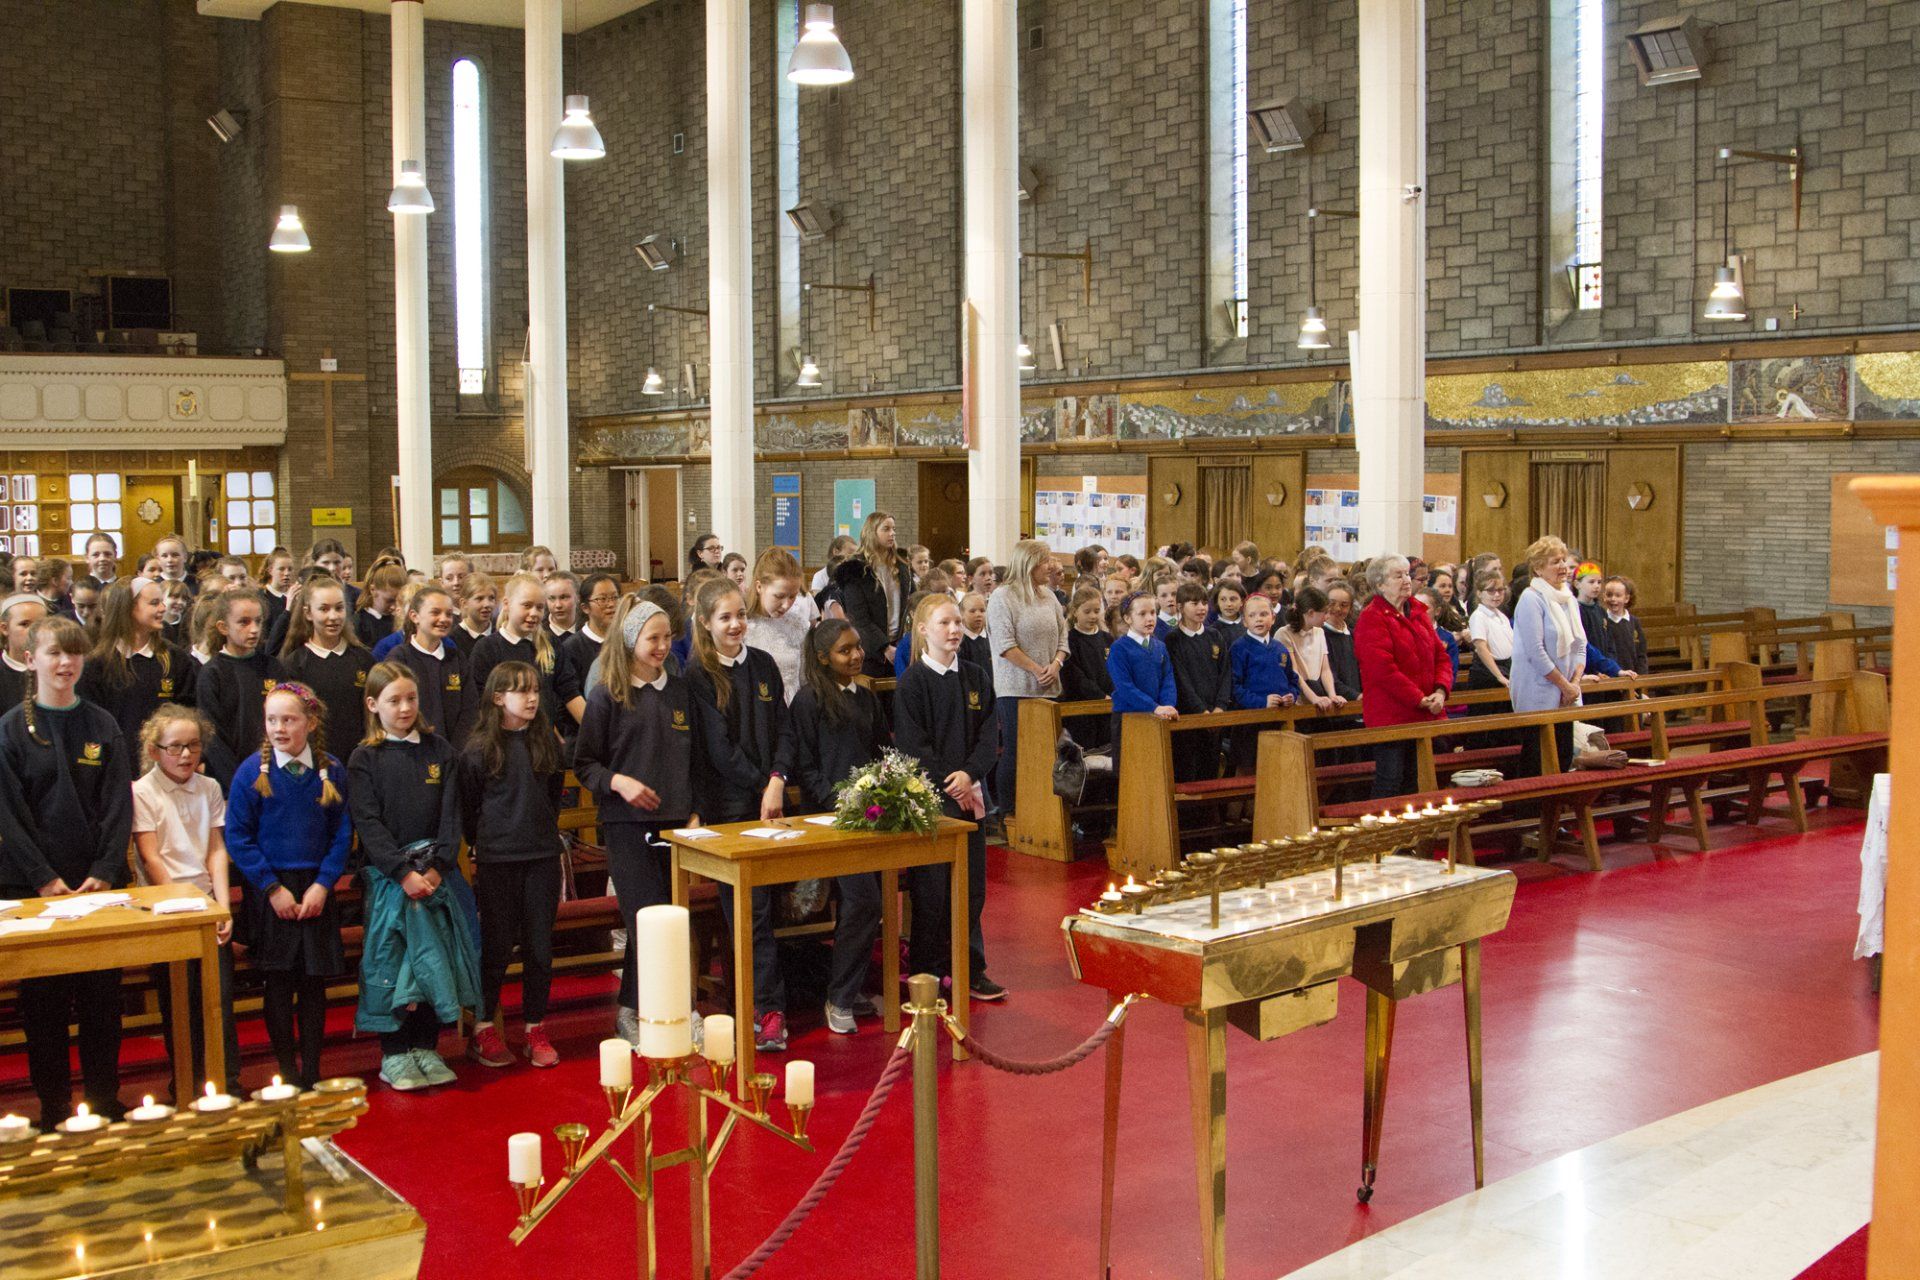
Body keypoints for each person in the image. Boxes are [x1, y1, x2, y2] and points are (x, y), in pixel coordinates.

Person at [574, 597, 732, 1047]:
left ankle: (637, 1008)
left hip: (676, 825)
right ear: (631, 640)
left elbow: (697, 760)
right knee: (647, 920)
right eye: (652, 639)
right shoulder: (607, 694)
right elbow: (585, 764)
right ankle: (671, 1011)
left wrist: (697, 807)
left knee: (672, 920)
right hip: (626, 824)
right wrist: (619, 782)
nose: (662, 647)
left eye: (667, 638)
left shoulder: (680, 692)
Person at [0, 616, 135, 1125]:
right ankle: (54, 1107)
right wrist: (42, 877)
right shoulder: (11, 730)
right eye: (55, 653)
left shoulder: (101, 724)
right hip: (34, 888)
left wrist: (105, 869)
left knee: (102, 1003)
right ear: (30, 659)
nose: (65, 663)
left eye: (74, 653)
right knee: (45, 1008)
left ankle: (104, 1099)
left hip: (96, 885)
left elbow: (118, 805)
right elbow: (8, 814)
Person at [349, 661, 478, 1090]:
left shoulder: (440, 751)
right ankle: (395, 1053)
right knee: (393, 962)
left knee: (433, 961)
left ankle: (426, 1046)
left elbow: (452, 816)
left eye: (411, 699)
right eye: (394, 701)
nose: (405, 708)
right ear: (373, 704)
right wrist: (403, 872)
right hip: (390, 879)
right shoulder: (365, 758)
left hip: (434, 877)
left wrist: (439, 867)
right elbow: (368, 822)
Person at [224, 682, 352, 1088]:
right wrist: (271, 888)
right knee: (278, 982)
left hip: (315, 889)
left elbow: (342, 833)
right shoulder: (251, 773)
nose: (279, 728)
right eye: (272, 720)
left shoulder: (331, 770)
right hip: (273, 891)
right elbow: (238, 837)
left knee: (313, 984)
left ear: (310, 722)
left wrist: (323, 885)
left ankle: (312, 1071)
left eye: (289, 720)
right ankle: (288, 1072)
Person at [685, 576, 795, 1048]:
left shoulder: (764, 664)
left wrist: (779, 778)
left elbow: (785, 728)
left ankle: (772, 998)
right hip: (731, 810)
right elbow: (719, 750)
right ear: (706, 623)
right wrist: (762, 785)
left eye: (741, 616)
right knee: (751, 914)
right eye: (725, 618)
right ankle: (766, 1009)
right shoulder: (698, 676)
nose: (736, 625)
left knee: (772, 910)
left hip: (772, 803)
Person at [894, 593, 1002, 1000]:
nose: (955, 629)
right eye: (945, 623)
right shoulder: (913, 682)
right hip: (934, 800)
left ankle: (970, 967)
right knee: (932, 891)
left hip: (970, 794)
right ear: (924, 630)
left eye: (957, 622)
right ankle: (927, 972)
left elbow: (989, 734)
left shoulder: (975, 676)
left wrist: (970, 774)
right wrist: (947, 780)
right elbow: (913, 745)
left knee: (972, 889)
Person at [460, 661, 566, 1070]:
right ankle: (484, 1026)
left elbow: (553, 796)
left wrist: (541, 832)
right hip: (498, 859)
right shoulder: (479, 749)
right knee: (497, 946)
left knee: (540, 948)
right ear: (498, 697)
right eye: (522, 691)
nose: (532, 698)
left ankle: (535, 1026)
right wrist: (486, 842)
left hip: (541, 856)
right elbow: (470, 807)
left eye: (535, 690)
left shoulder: (546, 742)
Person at [132, 703, 241, 1097]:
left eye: (193, 745)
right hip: (168, 908)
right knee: (179, 1001)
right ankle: (186, 1083)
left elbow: (216, 850)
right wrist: (184, 906)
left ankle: (226, 1080)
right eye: (175, 747)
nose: (185, 755)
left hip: (207, 904)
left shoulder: (208, 787)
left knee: (218, 998)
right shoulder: (142, 792)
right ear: (154, 750)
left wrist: (222, 907)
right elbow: (151, 857)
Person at [787, 620, 889, 1033]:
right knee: (864, 901)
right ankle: (839, 996)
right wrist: (839, 802)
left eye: (858, 647)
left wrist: (885, 792)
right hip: (828, 820)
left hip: (867, 818)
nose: (857, 655)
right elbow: (806, 764)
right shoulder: (809, 700)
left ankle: (848, 986)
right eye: (845, 650)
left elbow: (882, 752)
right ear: (823, 657)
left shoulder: (867, 698)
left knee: (865, 905)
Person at [985, 539, 1070, 827]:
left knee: (1047, 752)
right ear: (1029, 563)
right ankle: (1009, 812)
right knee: (1016, 750)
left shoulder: (1049, 596)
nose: (1051, 566)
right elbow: (1004, 644)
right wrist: (1035, 669)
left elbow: (1063, 636)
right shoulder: (1003, 597)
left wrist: (1056, 664)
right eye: (1046, 561)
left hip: (1049, 686)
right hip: (1015, 688)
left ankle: (1042, 808)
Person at [1353, 556, 1452, 800]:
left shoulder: (1418, 612)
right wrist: (1419, 699)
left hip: (1425, 712)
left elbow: (1441, 657)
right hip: (1391, 716)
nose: (1407, 580)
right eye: (1398, 576)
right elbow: (1382, 670)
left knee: (1419, 780)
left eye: (1407, 574)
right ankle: (1380, 825)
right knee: (1391, 781)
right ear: (1380, 584)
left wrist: (1440, 691)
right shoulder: (1372, 617)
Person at [82, 578, 199, 751]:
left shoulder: (176, 659)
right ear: (128, 608)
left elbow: (189, 713)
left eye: (161, 602)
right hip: (117, 759)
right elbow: (92, 724)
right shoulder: (97, 664)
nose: (163, 608)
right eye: (154, 603)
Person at [471, 574, 584, 739]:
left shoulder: (551, 644)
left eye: (540, 607)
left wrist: (594, 731)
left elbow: (570, 692)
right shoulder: (487, 648)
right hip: (503, 739)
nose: (534, 613)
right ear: (507, 604)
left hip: (542, 740)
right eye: (527, 605)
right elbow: (480, 703)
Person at [1510, 537, 1585, 780]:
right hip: (1539, 689)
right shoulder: (1531, 598)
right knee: (1537, 757)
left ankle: (1558, 803)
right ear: (1538, 568)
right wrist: (1564, 685)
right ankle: (1530, 803)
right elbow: (1536, 652)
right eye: (1555, 562)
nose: (1563, 566)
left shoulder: (1568, 597)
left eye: (1563, 560)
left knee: (1563, 754)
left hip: (1566, 691)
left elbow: (1580, 645)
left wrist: (1574, 684)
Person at [277, 576, 377, 755]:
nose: (333, 616)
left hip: (360, 756)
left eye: (339, 608)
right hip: (315, 758)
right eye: (324, 609)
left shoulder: (364, 660)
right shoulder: (294, 665)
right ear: (308, 613)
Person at [197, 588, 278, 788]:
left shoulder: (273, 667)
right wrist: (238, 781)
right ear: (223, 627)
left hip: (273, 772)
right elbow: (213, 737)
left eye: (258, 621)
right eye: (244, 622)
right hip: (232, 778)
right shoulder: (213, 673)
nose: (254, 629)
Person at [1164, 581, 1233, 782]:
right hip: (1189, 717)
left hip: (1215, 715)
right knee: (1188, 772)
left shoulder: (1214, 635)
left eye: (1204, 602)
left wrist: (1220, 707)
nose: (1201, 608)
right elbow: (1181, 679)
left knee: (1211, 771)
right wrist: (1201, 711)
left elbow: (1225, 673)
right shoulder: (1173, 639)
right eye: (1194, 603)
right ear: (1180, 607)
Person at [1106, 591, 1178, 776]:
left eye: (1153, 613)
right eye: (1142, 614)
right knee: (1130, 774)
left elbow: (1168, 679)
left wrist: (1167, 705)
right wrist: (1154, 707)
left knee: (1155, 772)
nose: (1149, 618)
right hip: (1129, 718)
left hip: (1157, 717)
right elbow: (1124, 687)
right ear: (1128, 618)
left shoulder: (1160, 646)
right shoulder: (1119, 648)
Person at [392, 585, 474, 744]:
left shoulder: (457, 658)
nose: (444, 619)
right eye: (435, 612)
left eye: (449, 614)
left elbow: (469, 710)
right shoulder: (399, 658)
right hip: (412, 749)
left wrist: (456, 750)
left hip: (454, 751)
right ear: (414, 616)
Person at [835, 511, 913, 678]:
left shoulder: (902, 565)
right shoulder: (854, 569)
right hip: (871, 648)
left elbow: (911, 603)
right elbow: (859, 617)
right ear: (871, 532)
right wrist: (884, 647)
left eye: (894, 529)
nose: (892, 533)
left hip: (899, 643)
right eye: (886, 529)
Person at [1229, 591, 1298, 771]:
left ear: (1273, 618)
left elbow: (1292, 679)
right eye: (1252, 615)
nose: (1258, 619)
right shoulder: (1239, 648)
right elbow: (1235, 687)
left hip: (1279, 719)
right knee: (1251, 770)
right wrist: (1261, 702)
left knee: (1280, 767)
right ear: (1244, 621)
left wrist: (1291, 695)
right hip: (1250, 722)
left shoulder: (1280, 648)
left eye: (1263, 614)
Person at [743, 548, 815, 702]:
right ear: (759, 587)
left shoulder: (798, 625)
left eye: (793, 596)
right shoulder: (743, 627)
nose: (786, 605)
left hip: (793, 705)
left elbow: (805, 678)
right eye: (779, 596)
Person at [1277, 587, 1346, 714]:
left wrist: (1332, 695)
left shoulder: (1319, 632)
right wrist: (1314, 698)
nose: (1327, 617)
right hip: (1297, 697)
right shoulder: (1284, 634)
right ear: (1311, 613)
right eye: (1325, 612)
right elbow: (1294, 672)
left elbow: (1325, 669)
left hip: (1316, 690)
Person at [1467, 574, 1514, 695]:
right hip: (1487, 671)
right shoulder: (1479, 616)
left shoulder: (1502, 616)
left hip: (1506, 666)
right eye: (1491, 591)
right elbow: (1481, 648)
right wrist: (1499, 676)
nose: (1497, 594)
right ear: (1479, 593)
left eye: (1500, 590)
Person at [0, 591, 47, 708]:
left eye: (40, 624)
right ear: (5, 628)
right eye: (25, 624)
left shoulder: (56, 670)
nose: (34, 631)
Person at [1599, 576, 1650, 676]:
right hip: (1610, 675)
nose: (1613, 599)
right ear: (1604, 596)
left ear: (1626, 598)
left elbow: (1641, 654)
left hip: (1632, 675)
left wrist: (1642, 677)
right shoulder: (1602, 621)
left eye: (1618, 595)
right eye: (1609, 595)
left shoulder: (1634, 622)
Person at [1322, 582, 1363, 701]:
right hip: (1335, 701)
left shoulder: (1354, 635)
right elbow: (1328, 674)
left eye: (1344, 605)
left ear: (1350, 608)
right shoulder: (1320, 635)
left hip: (1359, 701)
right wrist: (1355, 696)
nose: (1337, 608)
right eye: (1332, 603)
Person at [352, 560, 407, 650]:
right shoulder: (359, 623)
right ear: (373, 590)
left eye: (399, 601)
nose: (394, 606)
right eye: (389, 601)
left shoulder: (399, 620)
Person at [451, 572, 499, 658]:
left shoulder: (499, 635)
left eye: (491, 598)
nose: (487, 604)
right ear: (464, 603)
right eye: (479, 598)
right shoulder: (453, 639)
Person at [1208, 579, 1247, 648]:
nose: (1228, 604)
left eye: (1233, 599)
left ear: (1242, 601)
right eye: (1223, 599)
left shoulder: (1249, 625)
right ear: (1217, 602)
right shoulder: (1213, 631)